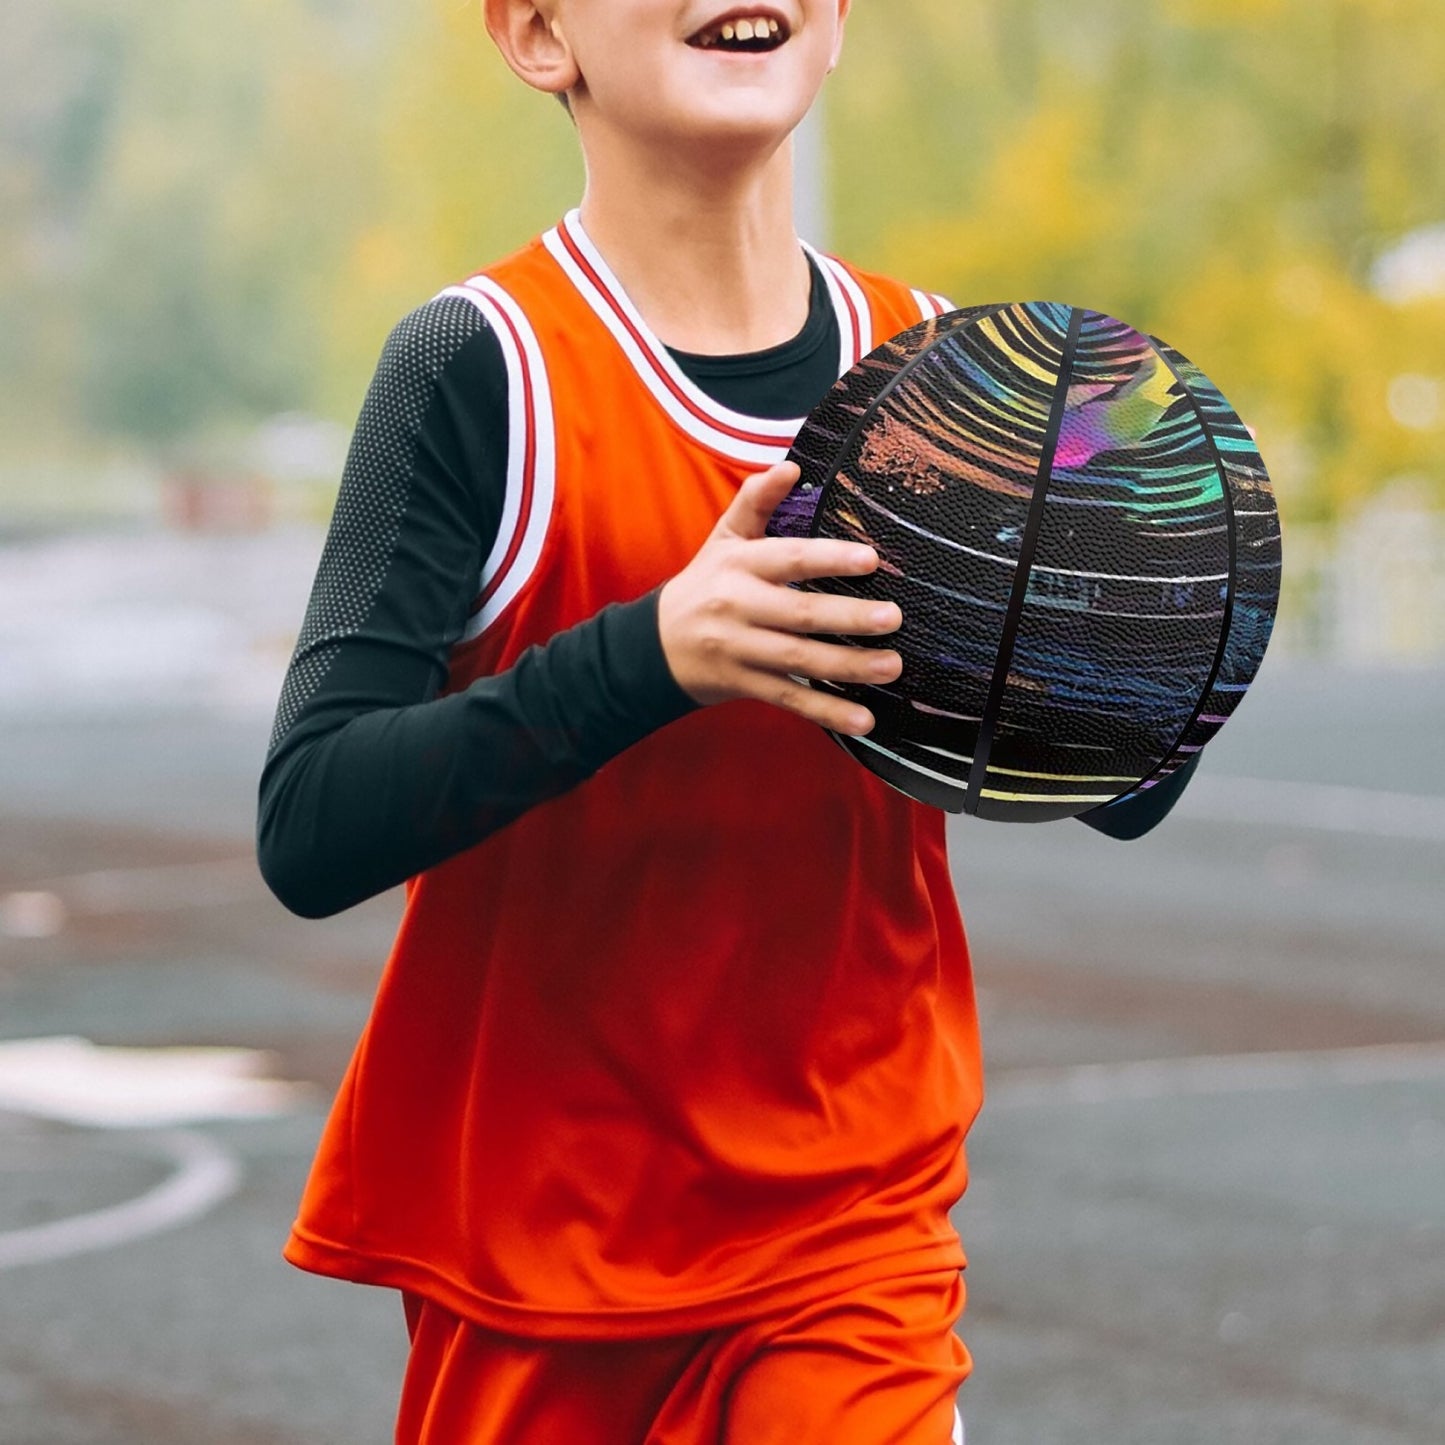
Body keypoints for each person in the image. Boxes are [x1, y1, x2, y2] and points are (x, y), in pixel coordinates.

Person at [257, 2, 1197, 1440]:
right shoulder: (478, 366)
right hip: (540, 1242)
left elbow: (1118, 787)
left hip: (849, 1221)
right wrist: (651, 653)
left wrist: (1137, 656)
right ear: (534, 35)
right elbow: (311, 822)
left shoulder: (951, 383)